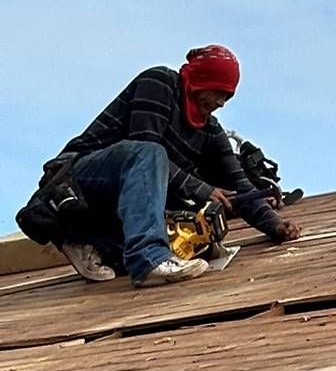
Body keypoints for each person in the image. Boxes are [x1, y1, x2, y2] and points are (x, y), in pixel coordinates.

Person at [17, 45, 302, 287]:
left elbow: (241, 186)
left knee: (190, 225)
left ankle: (89, 243)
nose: (220, 103)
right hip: (76, 184)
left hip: (114, 207)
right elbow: (144, 147)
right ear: (200, 80)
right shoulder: (160, 84)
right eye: (218, 92)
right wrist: (201, 188)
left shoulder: (211, 133)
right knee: (150, 154)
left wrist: (275, 226)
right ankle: (149, 260)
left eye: (227, 97)